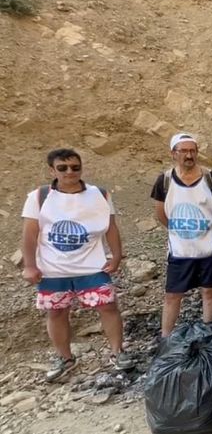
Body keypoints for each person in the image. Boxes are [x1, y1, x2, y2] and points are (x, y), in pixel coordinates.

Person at [21, 149, 134, 382]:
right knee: (57, 312)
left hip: (91, 266)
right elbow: (30, 234)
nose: (69, 171)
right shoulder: (39, 197)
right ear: (52, 170)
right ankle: (65, 358)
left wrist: (116, 255)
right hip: (53, 269)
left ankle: (117, 352)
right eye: (62, 168)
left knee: (108, 307)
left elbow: (110, 227)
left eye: (75, 167)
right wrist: (29, 266)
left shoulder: (100, 194)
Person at [151, 133, 212, 336]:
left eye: (192, 150)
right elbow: (161, 213)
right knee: (172, 295)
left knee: (210, 291)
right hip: (180, 249)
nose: (189, 155)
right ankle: (166, 338)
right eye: (183, 151)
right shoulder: (165, 181)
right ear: (173, 153)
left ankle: (208, 331)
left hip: (209, 247)